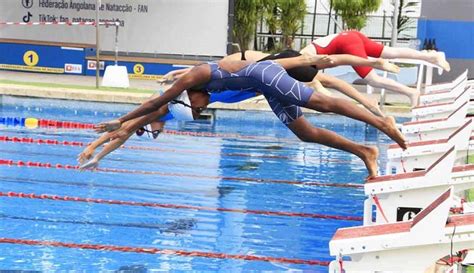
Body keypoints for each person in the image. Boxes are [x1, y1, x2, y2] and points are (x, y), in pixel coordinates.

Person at [92, 54, 407, 179]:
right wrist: (115, 132)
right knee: (306, 133)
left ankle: (382, 123)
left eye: (198, 108)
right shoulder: (190, 97)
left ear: (189, 98)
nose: (203, 109)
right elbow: (151, 109)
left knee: (323, 103)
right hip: (264, 86)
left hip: (266, 74)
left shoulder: (195, 77)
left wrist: (120, 120)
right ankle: (366, 151)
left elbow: (159, 99)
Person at [300, 30, 451, 107]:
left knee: (373, 79)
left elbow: (319, 82)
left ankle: (410, 92)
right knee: (392, 52)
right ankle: (432, 57)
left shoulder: (302, 60)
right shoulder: (300, 57)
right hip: (351, 36)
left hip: (347, 44)